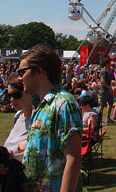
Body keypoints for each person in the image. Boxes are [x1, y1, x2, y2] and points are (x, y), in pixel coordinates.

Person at [18, 44, 82, 192]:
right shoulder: (39, 105)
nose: (20, 77)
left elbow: (73, 159)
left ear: (39, 71)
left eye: (22, 72)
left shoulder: (64, 103)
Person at [0, 73, 33, 191]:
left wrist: (13, 157)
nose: (11, 100)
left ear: (29, 93)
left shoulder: (38, 120)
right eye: (9, 95)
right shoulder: (17, 116)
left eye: (16, 95)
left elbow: (37, 154)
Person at [98, 58, 115, 124]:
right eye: (109, 63)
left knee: (110, 104)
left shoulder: (109, 71)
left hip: (109, 89)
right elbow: (102, 80)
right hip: (104, 90)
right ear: (106, 64)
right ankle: (98, 120)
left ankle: (108, 118)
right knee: (102, 105)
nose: (110, 64)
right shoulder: (103, 71)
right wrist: (108, 87)